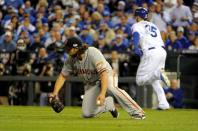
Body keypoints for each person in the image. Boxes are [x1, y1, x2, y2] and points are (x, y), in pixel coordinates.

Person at [49, 36, 145, 119]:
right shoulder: (71, 59)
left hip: (107, 75)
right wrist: (55, 93)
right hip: (91, 83)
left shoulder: (92, 52)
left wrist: (102, 94)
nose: (66, 50)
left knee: (111, 88)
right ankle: (109, 105)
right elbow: (62, 76)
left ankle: (137, 112)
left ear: (76, 48)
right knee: (87, 113)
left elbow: (103, 74)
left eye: (68, 48)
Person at [131, 7, 170, 110]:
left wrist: (135, 47)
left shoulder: (137, 25)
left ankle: (158, 73)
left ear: (138, 16)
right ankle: (163, 103)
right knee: (154, 80)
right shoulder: (154, 25)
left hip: (151, 52)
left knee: (140, 80)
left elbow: (136, 35)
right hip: (162, 51)